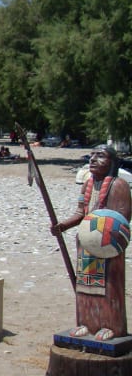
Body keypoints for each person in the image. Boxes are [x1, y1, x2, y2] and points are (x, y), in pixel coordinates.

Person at [51, 145, 132, 341]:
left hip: (108, 245)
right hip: (87, 243)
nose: (93, 159)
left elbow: (122, 218)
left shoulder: (119, 185)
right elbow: (81, 213)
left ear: (112, 162)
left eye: (100, 156)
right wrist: (63, 226)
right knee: (86, 285)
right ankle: (87, 323)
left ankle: (111, 326)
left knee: (109, 287)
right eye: (92, 155)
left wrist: (103, 232)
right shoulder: (87, 184)